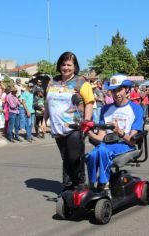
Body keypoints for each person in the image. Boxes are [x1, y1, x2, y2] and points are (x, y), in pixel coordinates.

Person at [42, 51, 94, 191]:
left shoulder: (81, 81)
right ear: (59, 65)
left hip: (75, 127)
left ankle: (79, 184)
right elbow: (47, 103)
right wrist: (44, 120)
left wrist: (87, 121)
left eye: (69, 65)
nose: (66, 67)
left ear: (75, 66)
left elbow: (89, 102)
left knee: (74, 157)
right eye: (63, 64)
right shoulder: (53, 81)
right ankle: (67, 186)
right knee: (65, 157)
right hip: (57, 127)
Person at [86, 74, 143, 191]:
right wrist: (88, 131)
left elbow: (132, 141)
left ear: (126, 89)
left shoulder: (136, 108)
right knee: (91, 155)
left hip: (125, 144)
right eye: (113, 91)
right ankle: (92, 184)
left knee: (102, 150)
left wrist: (119, 131)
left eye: (119, 89)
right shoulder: (105, 109)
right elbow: (101, 137)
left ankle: (104, 183)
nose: (117, 94)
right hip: (106, 145)